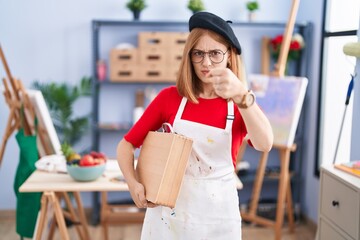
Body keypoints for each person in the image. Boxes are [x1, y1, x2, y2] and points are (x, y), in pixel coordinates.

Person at [116, 11, 273, 240]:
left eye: (215, 53)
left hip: (219, 218)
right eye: (198, 53)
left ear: (229, 56)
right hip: (169, 218)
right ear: (189, 56)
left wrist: (241, 94)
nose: (206, 62)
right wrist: (132, 183)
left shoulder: (239, 104)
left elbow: (265, 143)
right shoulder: (170, 98)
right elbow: (126, 145)